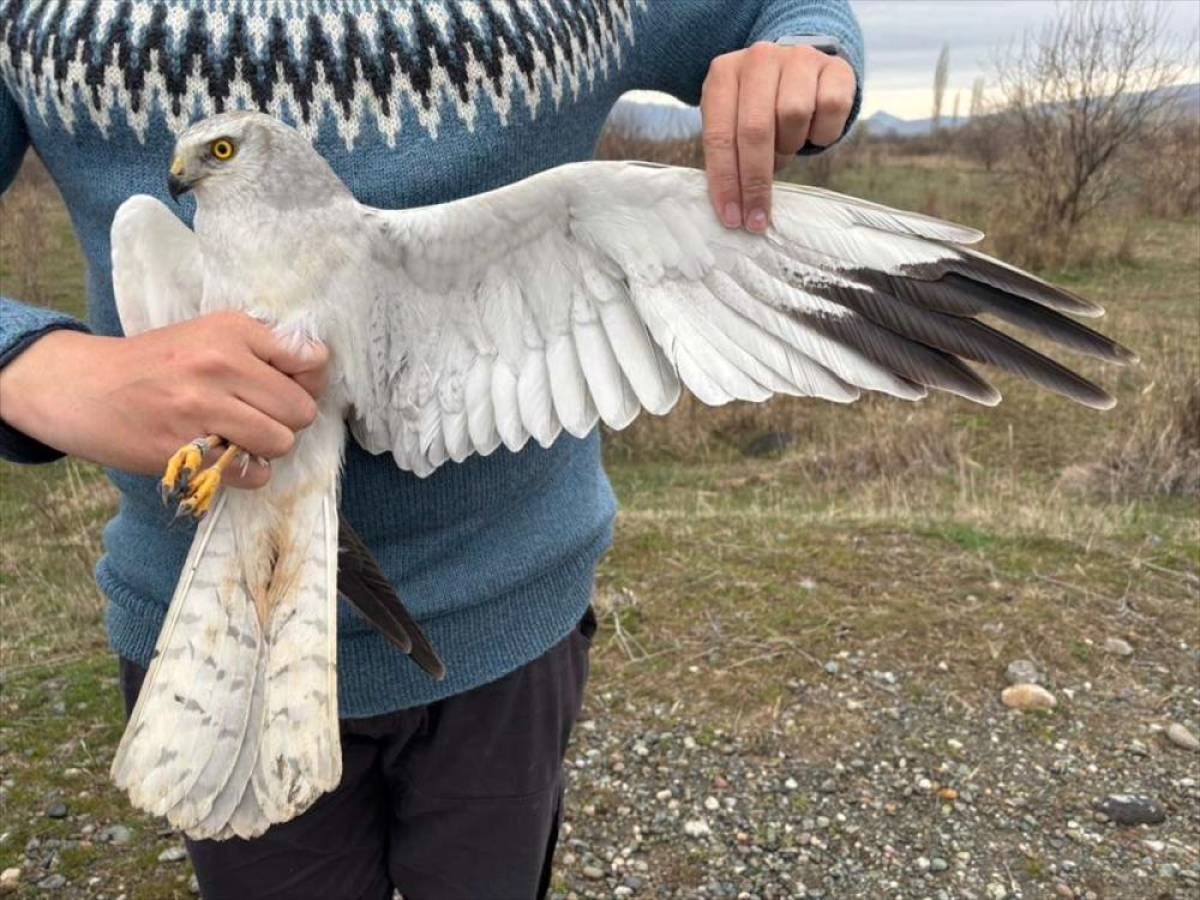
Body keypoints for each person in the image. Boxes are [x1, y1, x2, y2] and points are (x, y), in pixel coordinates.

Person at [0, 2, 862, 897]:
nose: (183, 175)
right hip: (218, 604)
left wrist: (805, 47)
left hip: (508, 626)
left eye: (213, 155)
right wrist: (36, 366)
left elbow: (779, 11)